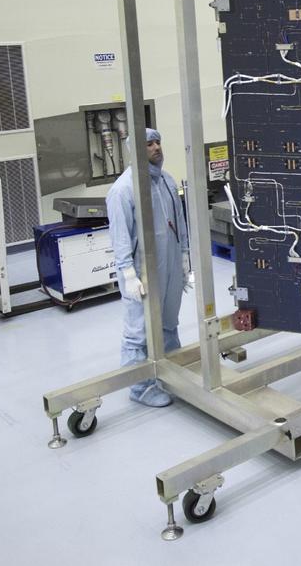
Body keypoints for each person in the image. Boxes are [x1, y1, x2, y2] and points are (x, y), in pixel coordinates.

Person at [106, 127, 190, 407]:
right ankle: (139, 386)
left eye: (157, 142)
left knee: (168, 321)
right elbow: (120, 238)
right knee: (139, 330)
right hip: (141, 271)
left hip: (169, 265)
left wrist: (185, 257)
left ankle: (172, 373)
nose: (156, 148)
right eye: (149, 144)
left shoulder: (166, 180)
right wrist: (128, 274)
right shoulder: (123, 190)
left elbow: (179, 221)